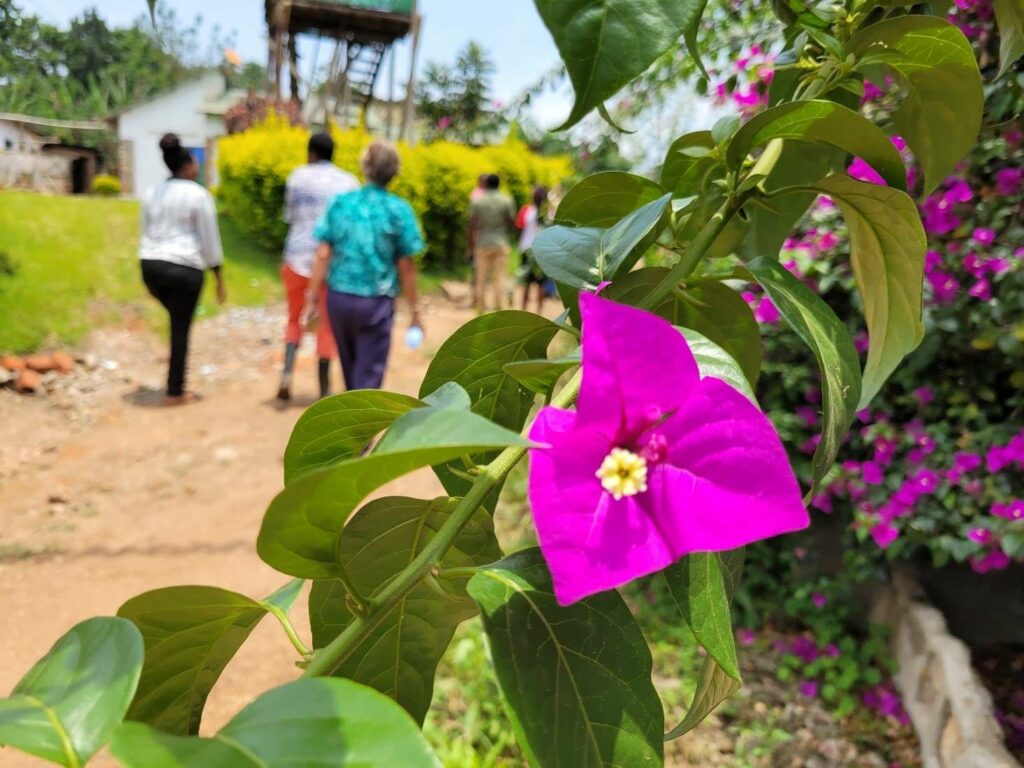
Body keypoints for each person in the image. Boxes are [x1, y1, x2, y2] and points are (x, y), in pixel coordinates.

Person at [305, 140, 424, 391]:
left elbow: (322, 254)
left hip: (339, 300)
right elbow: (406, 267)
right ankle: (361, 429)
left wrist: (312, 297)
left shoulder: (341, 203)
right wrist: (415, 312)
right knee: (368, 378)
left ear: (364, 167)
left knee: (350, 370)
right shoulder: (399, 210)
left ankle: (355, 425)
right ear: (394, 172)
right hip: (375, 305)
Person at [139, 133, 226, 406]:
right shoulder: (198, 195)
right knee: (180, 327)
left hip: (150, 267)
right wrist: (219, 278)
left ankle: (174, 377)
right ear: (188, 165)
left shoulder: (152, 192)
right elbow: (210, 240)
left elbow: (146, 231)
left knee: (177, 320)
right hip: (184, 269)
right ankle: (175, 390)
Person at [277, 132, 358, 402]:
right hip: (332, 266)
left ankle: (287, 374)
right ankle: (323, 390)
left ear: (311, 153)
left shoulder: (296, 176)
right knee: (326, 326)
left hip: (296, 258)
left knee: (294, 317)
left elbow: (289, 216)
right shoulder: (348, 182)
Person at [468, 174, 516, 312]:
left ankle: (480, 307)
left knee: (481, 277)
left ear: (486, 184)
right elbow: (510, 222)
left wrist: (470, 246)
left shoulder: (478, 201)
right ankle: (499, 307)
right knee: (499, 277)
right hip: (500, 242)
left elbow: (472, 224)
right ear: (498, 184)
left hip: (482, 242)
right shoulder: (506, 200)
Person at [516, 185, 550, 314]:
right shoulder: (549, 214)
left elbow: (519, 226)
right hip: (543, 250)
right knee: (541, 283)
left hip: (526, 248)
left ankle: (523, 311)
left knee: (525, 281)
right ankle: (539, 311)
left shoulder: (526, 210)